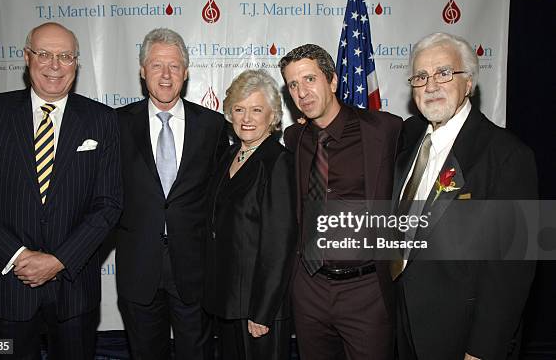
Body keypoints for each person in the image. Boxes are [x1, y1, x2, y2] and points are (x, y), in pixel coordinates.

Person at [0, 22, 122, 359]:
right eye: (44, 54)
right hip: (7, 287)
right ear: (27, 58)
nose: (54, 65)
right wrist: (18, 257)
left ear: (76, 63)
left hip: (74, 290)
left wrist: (58, 260)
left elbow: (109, 204)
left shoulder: (101, 119)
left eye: (65, 56)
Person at [393, 32, 537, 360]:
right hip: (403, 327)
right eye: (420, 76)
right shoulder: (408, 137)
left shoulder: (508, 156)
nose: (430, 86)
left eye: (444, 73)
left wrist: (483, 349)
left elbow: (512, 269)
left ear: (468, 82)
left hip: (460, 335)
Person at [279, 44, 402, 360]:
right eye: (293, 84)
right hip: (309, 288)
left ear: (332, 81)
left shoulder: (384, 130)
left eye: (309, 79)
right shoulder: (295, 138)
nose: (302, 92)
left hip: (366, 291)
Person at [116, 28, 229, 360]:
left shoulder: (213, 125)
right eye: (156, 65)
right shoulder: (116, 124)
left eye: (174, 66)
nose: (165, 75)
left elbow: (220, 200)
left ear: (187, 71)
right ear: (142, 70)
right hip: (138, 269)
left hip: (196, 270)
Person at [203, 69, 297, 359]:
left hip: (258, 309)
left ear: (273, 116)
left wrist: (262, 311)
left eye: (257, 110)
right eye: (239, 109)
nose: (246, 118)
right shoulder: (229, 157)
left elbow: (279, 245)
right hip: (228, 302)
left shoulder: (277, 162)